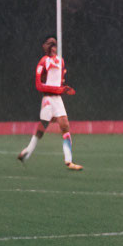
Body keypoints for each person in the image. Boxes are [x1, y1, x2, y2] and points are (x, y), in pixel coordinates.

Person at [17, 35, 83, 170]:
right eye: (49, 44)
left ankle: (69, 161)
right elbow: (38, 85)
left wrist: (63, 88)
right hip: (47, 99)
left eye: (53, 45)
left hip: (57, 99)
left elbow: (60, 81)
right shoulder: (43, 62)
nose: (52, 47)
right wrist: (59, 89)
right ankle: (27, 151)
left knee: (65, 126)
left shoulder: (60, 61)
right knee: (42, 128)